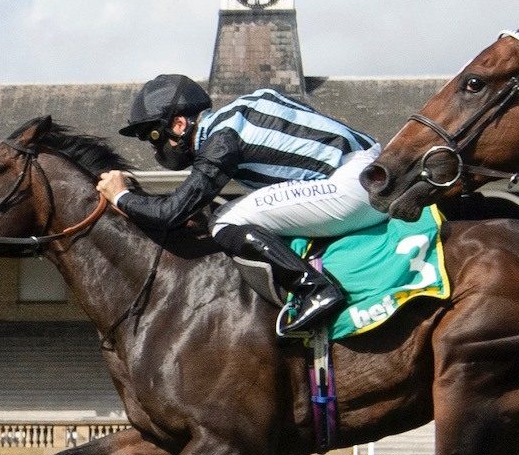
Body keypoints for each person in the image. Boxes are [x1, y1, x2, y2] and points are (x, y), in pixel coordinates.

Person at [101, 74, 385, 331]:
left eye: (155, 137)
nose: (155, 149)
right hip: (377, 172)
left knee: (225, 219)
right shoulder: (252, 102)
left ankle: (313, 289)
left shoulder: (221, 139)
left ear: (179, 123)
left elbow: (170, 213)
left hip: (352, 188)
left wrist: (121, 196)